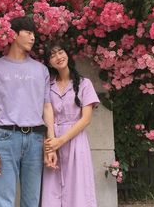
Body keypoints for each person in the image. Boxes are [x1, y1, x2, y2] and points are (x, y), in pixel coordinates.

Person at [0, 16, 57, 207]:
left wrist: (50, 143)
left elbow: (46, 107)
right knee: (4, 201)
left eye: (34, 33)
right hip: (5, 138)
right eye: (28, 32)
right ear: (14, 35)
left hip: (35, 139)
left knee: (32, 200)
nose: (32, 37)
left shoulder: (41, 70)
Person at [41, 40, 100, 207]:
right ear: (49, 62)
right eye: (52, 55)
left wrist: (61, 141)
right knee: (52, 191)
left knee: (78, 190)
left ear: (67, 54)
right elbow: (47, 115)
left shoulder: (84, 84)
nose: (58, 57)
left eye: (60, 52)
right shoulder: (48, 86)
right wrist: (51, 144)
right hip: (53, 139)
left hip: (75, 141)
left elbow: (86, 119)